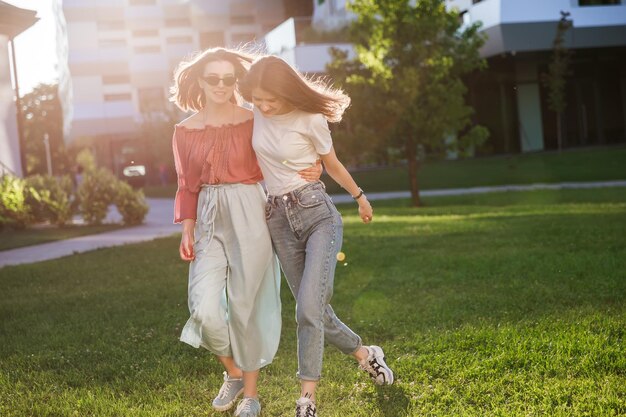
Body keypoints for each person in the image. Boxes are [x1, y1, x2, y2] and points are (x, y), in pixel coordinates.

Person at [239, 55, 394, 417]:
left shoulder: (310, 119)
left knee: (308, 309)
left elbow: (332, 164)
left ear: (286, 90)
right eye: (257, 99)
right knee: (316, 311)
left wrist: (360, 197)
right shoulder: (255, 112)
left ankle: (306, 400)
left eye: (269, 99)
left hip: (317, 215)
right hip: (277, 218)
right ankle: (366, 354)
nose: (262, 105)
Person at [169, 48, 321, 417]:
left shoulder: (255, 119)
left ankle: (251, 397)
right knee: (203, 307)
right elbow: (187, 184)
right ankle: (233, 373)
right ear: (200, 82)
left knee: (244, 305)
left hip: (252, 210)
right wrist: (187, 227)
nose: (221, 85)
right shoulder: (184, 130)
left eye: (228, 78)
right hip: (208, 214)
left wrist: (314, 165)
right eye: (213, 79)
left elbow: (287, 144)